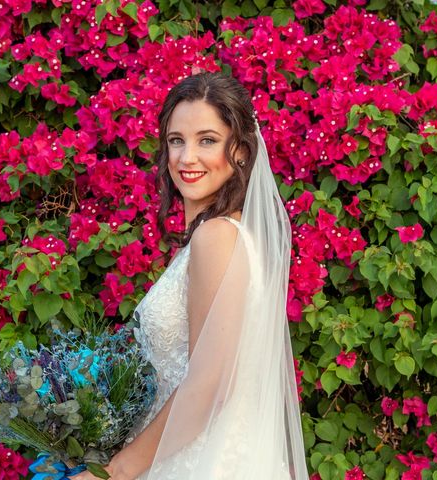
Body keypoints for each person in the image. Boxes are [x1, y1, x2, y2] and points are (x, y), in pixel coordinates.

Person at [69, 72, 309, 479]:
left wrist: (116, 472)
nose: (187, 157)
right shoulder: (225, 237)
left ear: (242, 153)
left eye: (207, 140)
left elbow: (210, 385)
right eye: (176, 140)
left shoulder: (216, 238)